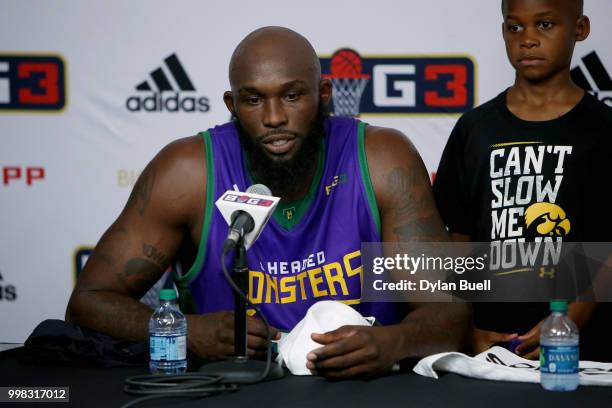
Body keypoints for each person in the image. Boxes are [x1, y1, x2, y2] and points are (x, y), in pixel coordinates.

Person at [66, 26, 471, 378]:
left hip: (367, 391)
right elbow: (88, 303)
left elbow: (448, 313)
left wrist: (392, 344)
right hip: (231, 392)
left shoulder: (382, 158)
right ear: (232, 105)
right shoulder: (187, 172)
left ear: (324, 93)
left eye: (292, 96)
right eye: (254, 100)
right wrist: (189, 330)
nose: (274, 117)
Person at [433, 0, 611, 360]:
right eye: (515, 27)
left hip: (582, 347)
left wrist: (569, 321)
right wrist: (464, 327)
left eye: (544, 25)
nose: (527, 39)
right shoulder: (475, 129)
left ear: (580, 29)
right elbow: (458, 238)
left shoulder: (603, 129)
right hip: (488, 342)